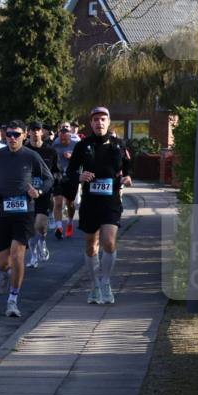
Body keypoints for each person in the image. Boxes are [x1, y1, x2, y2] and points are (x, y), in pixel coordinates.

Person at [0, 119, 53, 317]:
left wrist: (38, 191)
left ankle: (13, 299)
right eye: (9, 134)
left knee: (18, 254)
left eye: (17, 134)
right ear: (5, 136)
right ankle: (5, 274)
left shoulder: (31, 156)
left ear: (24, 135)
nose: (12, 138)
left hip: (24, 211)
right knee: (3, 262)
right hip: (2, 211)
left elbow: (49, 178)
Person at [67, 107, 132, 305]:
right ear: (91, 123)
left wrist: (128, 176)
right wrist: (79, 177)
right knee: (90, 244)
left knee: (109, 242)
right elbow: (70, 172)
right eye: (96, 119)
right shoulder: (82, 146)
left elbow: (128, 165)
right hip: (90, 202)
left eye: (103, 119)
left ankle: (105, 282)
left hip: (111, 200)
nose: (99, 123)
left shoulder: (118, 144)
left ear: (109, 121)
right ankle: (95, 285)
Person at [24, 120, 60, 269]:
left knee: (41, 226)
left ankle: (42, 241)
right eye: (32, 130)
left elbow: (57, 172)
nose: (35, 132)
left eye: (38, 130)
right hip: (27, 194)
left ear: (42, 132)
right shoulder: (24, 150)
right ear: (28, 132)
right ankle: (33, 256)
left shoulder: (50, 151)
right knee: (31, 227)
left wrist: (52, 188)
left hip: (44, 193)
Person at [52, 121, 79, 239]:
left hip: (72, 177)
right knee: (58, 202)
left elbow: (82, 160)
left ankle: (69, 222)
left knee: (70, 203)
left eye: (65, 138)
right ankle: (59, 227)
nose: (62, 141)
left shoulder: (76, 144)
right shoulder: (55, 144)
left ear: (69, 135)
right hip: (58, 176)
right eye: (61, 138)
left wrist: (73, 156)